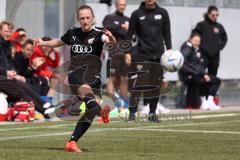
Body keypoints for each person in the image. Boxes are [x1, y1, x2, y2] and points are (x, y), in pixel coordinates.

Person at [34, 5, 117, 153]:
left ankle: (72, 142)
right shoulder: (73, 33)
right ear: (79, 19)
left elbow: (111, 42)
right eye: (82, 18)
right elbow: (57, 42)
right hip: (76, 75)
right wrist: (42, 42)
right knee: (90, 98)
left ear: (92, 18)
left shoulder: (99, 33)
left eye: (87, 18)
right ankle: (101, 112)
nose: (85, 21)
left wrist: (111, 38)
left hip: (94, 77)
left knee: (91, 111)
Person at [127, 0, 171, 122]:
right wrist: (127, 53)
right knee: (140, 83)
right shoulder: (136, 14)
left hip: (159, 55)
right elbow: (129, 34)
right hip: (143, 55)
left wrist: (170, 51)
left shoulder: (163, 13)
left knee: (156, 85)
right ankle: (132, 112)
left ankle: (152, 113)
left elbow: (167, 34)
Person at [0, 21, 54, 119]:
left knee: (23, 84)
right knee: (20, 87)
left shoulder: (6, 45)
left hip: (6, 76)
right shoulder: (8, 46)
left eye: (9, 31)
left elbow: (9, 64)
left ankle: (44, 106)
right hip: (2, 76)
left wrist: (14, 73)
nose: (8, 33)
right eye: (5, 31)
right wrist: (7, 72)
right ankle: (43, 109)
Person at [179, 32, 221, 110]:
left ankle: (210, 101)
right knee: (202, 80)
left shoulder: (196, 50)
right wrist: (195, 73)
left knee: (216, 80)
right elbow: (183, 64)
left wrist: (204, 73)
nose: (197, 43)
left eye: (198, 41)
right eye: (195, 41)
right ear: (190, 39)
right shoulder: (186, 49)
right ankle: (203, 101)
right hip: (188, 76)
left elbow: (199, 65)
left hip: (197, 74)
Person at [102, 0, 130, 110]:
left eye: (124, 5)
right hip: (113, 53)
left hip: (125, 53)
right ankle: (110, 105)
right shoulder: (109, 17)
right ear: (116, 5)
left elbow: (130, 34)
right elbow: (106, 28)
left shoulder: (128, 20)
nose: (122, 7)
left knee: (124, 78)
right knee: (111, 79)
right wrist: (121, 28)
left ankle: (124, 105)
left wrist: (129, 53)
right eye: (120, 5)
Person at [193, 5, 227, 76]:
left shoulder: (219, 26)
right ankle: (200, 87)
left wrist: (219, 47)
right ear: (208, 14)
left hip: (215, 56)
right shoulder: (201, 25)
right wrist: (201, 46)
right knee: (200, 75)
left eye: (217, 15)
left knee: (212, 77)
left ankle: (211, 88)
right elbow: (194, 36)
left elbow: (224, 38)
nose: (215, 17)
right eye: (213, 15)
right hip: (203, 55)